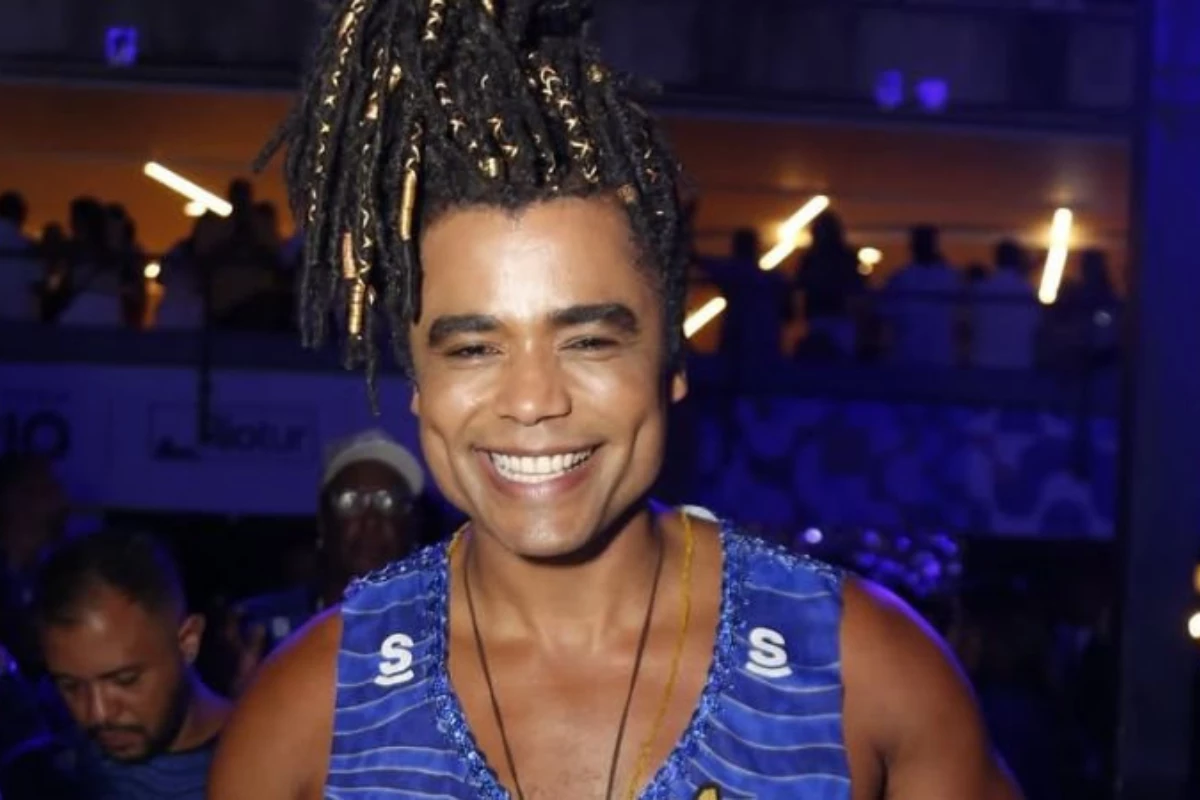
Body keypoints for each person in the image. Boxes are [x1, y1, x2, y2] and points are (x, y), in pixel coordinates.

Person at [210, 1, 1022, 798]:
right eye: (474, 349)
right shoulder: (307, 715)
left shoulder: (864, 673)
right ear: (420, 386)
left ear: (671, 361)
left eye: (588, 341)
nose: (533, 400)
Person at [218, 430, 427, 695]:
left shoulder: (443, 631)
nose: (371, 519)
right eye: (350, 501)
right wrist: (241, 702)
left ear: (412, 527)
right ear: (323, 523)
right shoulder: (262, 630)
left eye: (390, 501)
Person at [29, 529, 230, 799]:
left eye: (125, 680)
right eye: (71, 686)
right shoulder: (54, 767)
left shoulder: (263, 766)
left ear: (187, 641)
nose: (98, 714)